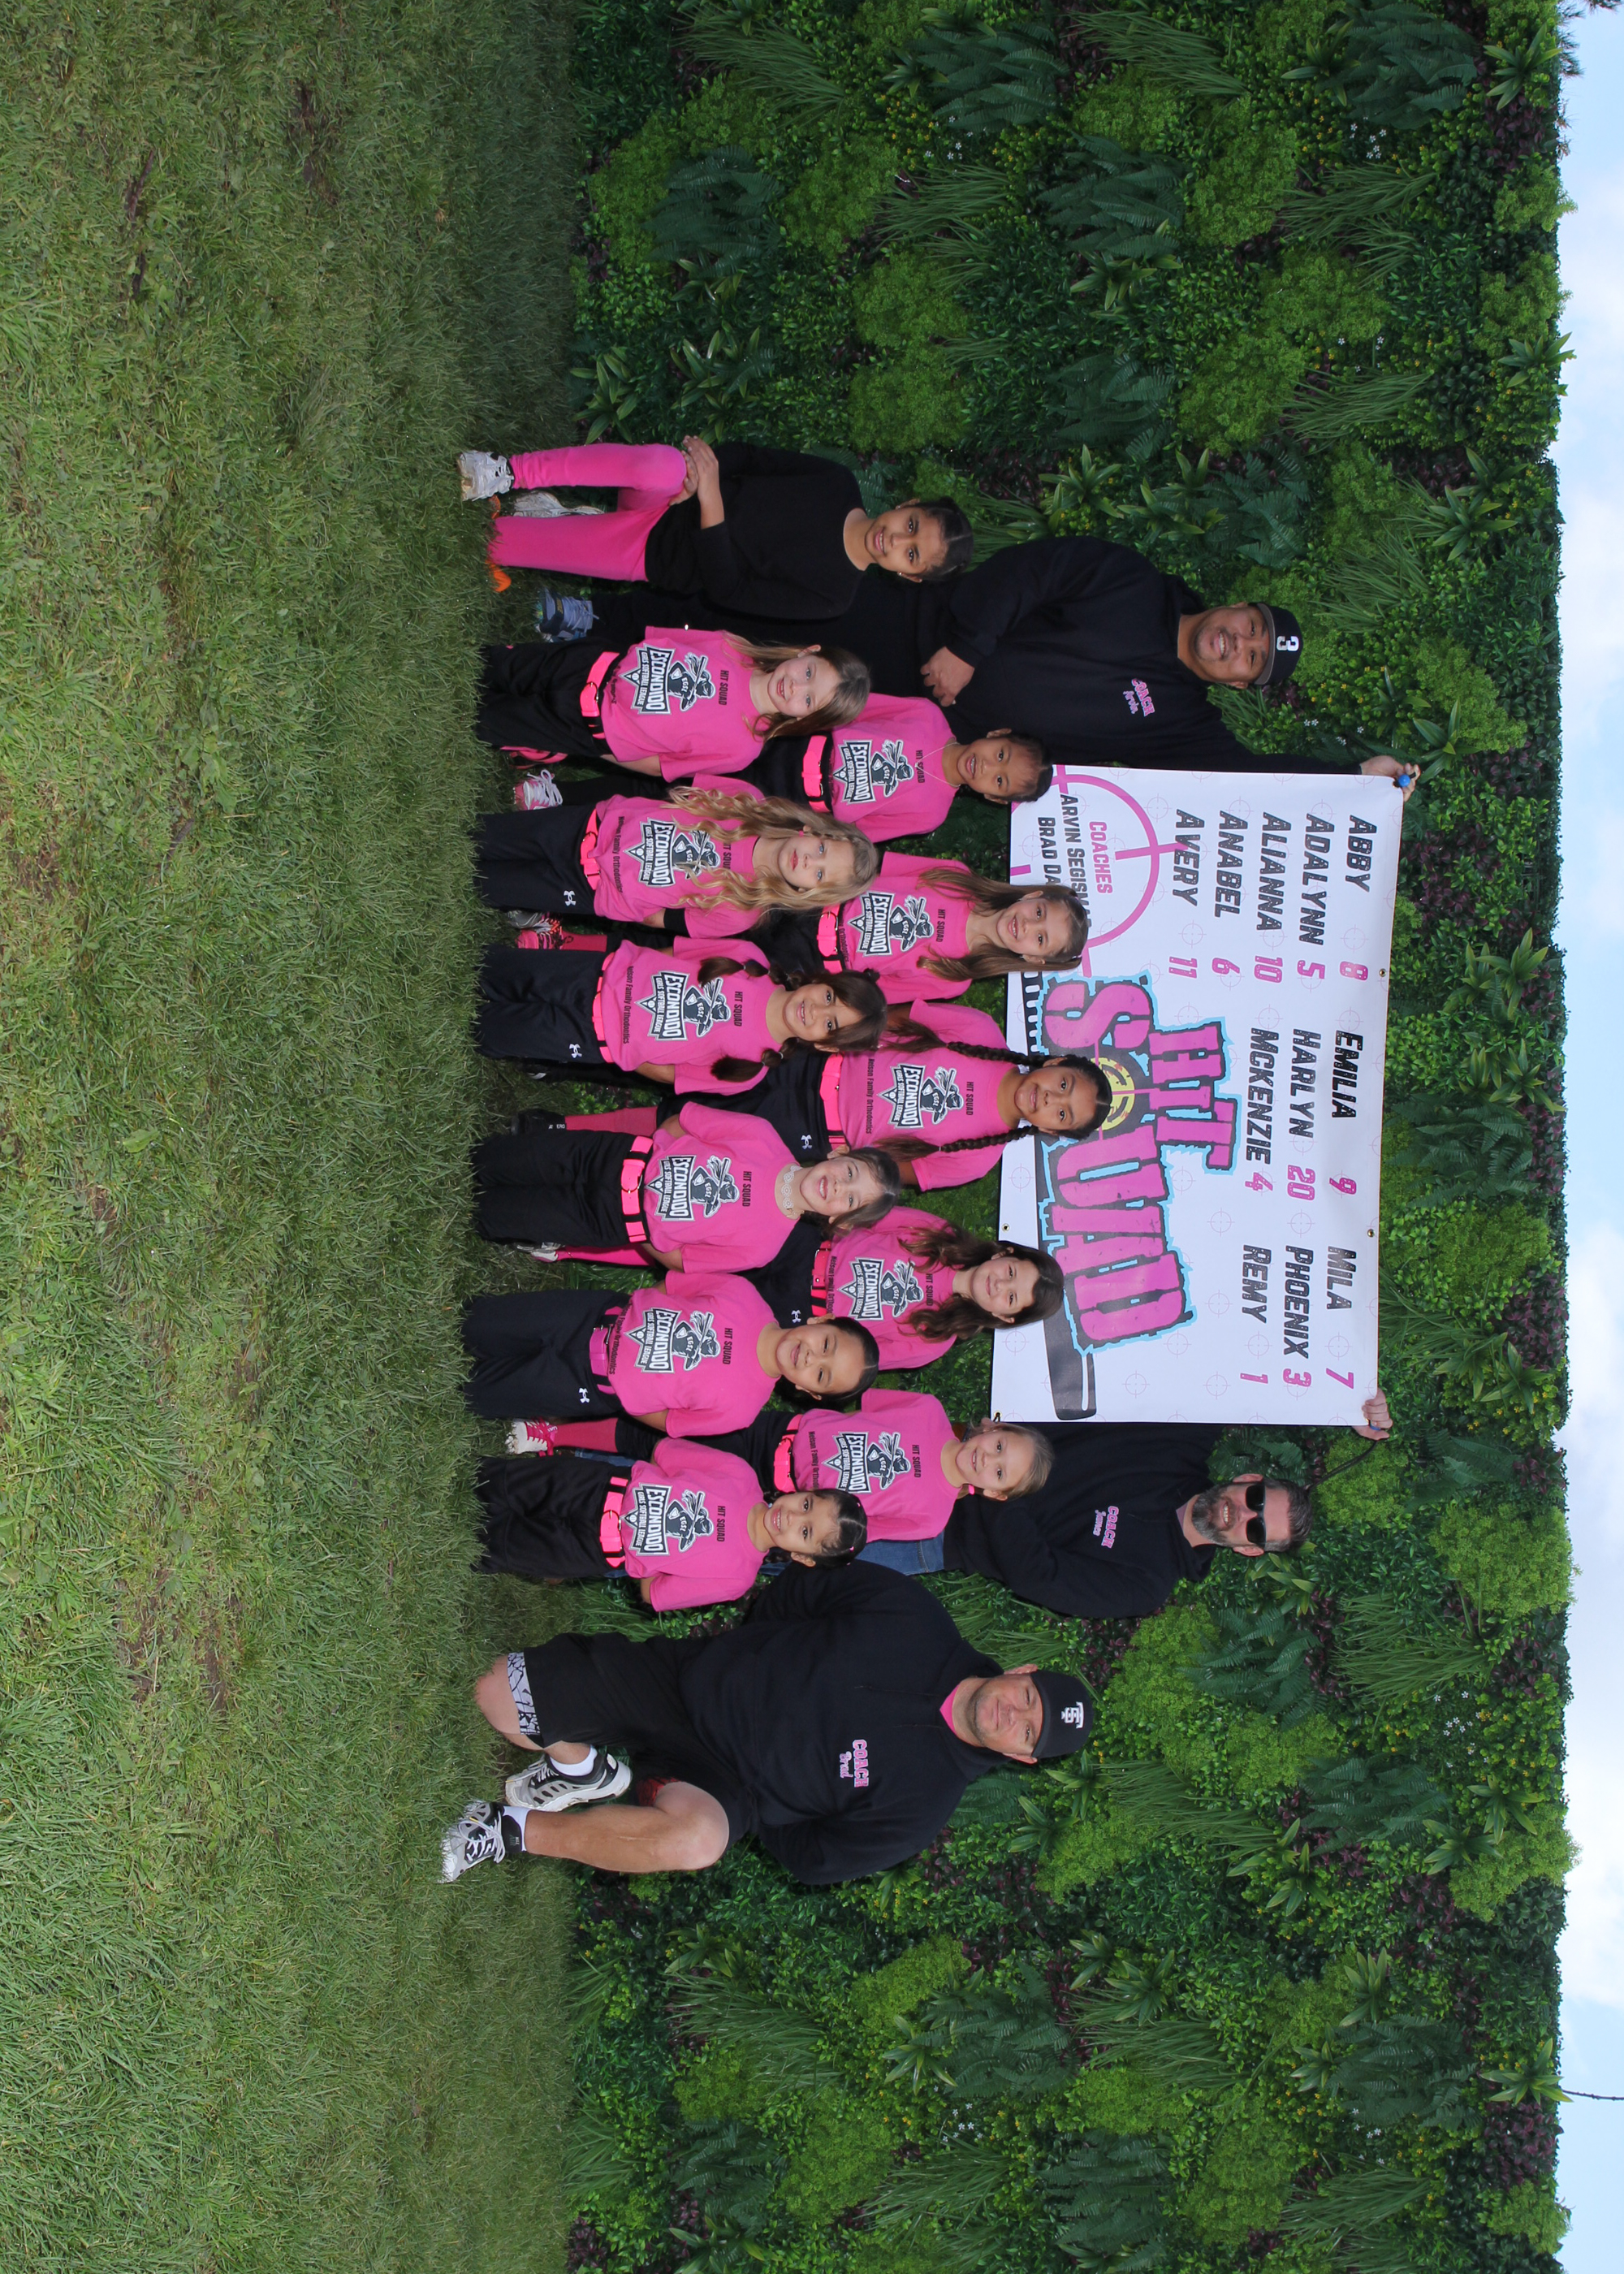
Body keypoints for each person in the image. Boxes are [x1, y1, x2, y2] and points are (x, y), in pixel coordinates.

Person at [438, 1559, 1095, 1884]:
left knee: (697, 1843)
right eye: (1029, 1699)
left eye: (1028, 1732)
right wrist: (744, 1661)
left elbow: (814, 1859)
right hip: (682, 1683)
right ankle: (583, 1768)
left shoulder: (921, 1809)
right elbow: (801, 1594)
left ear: (1022, 1758)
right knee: (495, 1694)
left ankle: (506, 1829)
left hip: (725, 1786)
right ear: (1024, 1671)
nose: (1014, 1715)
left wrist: (767, 1800)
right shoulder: (916, 1618)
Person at [911, 533, 1414, 794]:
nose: (1238, 642)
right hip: (918, 635)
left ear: (1240, 684)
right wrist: (967, 648)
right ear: (1238, 605)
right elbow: (1034, 571)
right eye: (1251, 626)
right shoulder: (1133, 581)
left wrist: (1355, 776)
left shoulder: (1180, 725)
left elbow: (1252, 779)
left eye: (1253, 657)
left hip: (933, 745)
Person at [934, 1393, 1395, 1612]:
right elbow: (1234, 1367)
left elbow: (1037, 1576)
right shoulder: (1180, 1437)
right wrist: (1342, 1404)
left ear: (1249, 1549)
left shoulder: (1144, 1585)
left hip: (937, 1536)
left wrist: (1001, 1489)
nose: (1244, 1513)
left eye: (1256, 1528)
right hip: (945, 1449)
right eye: (1256, 1498)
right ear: (1248, 1479)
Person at [459, 436, 971, 616]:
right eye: (910, 524)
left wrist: (711, 503)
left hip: (654, 553)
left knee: (493, 543)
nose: (896, 539)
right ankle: (506, 472)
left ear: (908, 575)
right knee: (661, 464)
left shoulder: (834, 595)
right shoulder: (837, 483)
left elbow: (729, 592)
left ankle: (560, 521)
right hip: (671, 493)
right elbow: (747, 457)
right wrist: (697, 476)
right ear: (908, 504)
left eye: (910, 553)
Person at [472, 1104, 899, 1274]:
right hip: (611, 1156)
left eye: (850, 1199)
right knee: (502, 1159)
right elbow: (686, 1122)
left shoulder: (763, 1248)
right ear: (839, 1153)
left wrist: (641, 1226)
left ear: (839, 1219)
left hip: (610, 1221)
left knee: (495, 1215)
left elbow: (683, 1259)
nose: (837, 1186)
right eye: (849, 1172)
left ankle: (491, 1214)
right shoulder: (763, 1136)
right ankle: (484, 1162)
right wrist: (652, 1153)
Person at [463, 1274, 879, 1441]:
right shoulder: (746, 1297)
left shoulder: (742, 1410)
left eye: (821, 1375)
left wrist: (624, 1394)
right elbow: (677, 1287)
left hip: (588, 1387)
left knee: (478, 1392)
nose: (811, 1358)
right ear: (820, 1320)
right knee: (479, 1324)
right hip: (589, 1316)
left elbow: (670, 1421)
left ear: (808, 1391)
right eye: (827, 1345)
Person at [473, 1437, 866, 1610]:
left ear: (803, 1558)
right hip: (594, 1486)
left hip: (592, 1549)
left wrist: (649, 1548)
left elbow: (654, 1594)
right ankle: (470, 1481)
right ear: (804, 1489)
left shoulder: (737, 1578)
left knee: (498, 1547)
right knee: (500, 1482)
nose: (793, 1516)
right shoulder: (741, 1474)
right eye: (807, 1504)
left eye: (805, 1532)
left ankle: (470, 1545)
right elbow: (666, 1453)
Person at [474, 937, 887, 1090]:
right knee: (490, 972)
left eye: (830, 1023)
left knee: (490, 1032)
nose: (815, 1010)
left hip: (594, 1038)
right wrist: (626, 970)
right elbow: (677, 953)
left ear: (824, 1044)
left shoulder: (751, 1069)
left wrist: (625, 1048)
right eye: (829, 996)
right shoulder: (750, 960)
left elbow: (672, 1073)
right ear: (824, 979)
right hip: (596, 976)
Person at [473, 786, 877, 940]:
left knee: (482, 883)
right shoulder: (747, 801)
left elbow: (661, 920)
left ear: (808, 891)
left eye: (819, 873)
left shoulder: (741, 912)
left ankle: (528, 903)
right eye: (821, 850)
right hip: (591, 826)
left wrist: (624, 892)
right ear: (813, 831)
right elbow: (669, 797)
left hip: (591, 888)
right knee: (482, 836)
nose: (807, 860)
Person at [475, 627, 869, 775]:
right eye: (808, 673)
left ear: (805, 721)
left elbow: (657, 765)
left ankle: (536, 743)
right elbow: (656, 641)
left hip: (584, 726)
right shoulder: (733, 647)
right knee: (488, 665)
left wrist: (596, 746)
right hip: (588, 664)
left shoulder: (742, 748)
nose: (795, 688)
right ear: (807, 651)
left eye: (808, 700)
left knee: (484, 720)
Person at [824, 1001, 1112, 1190]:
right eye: (1063, 1085)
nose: (1051, 1099)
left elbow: (888, 1171)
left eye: (1062, 1114)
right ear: (1056, 1063)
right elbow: (898, 1020)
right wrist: (844, 1033)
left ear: (1050, 1130)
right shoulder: (981, 1029)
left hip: (825, 1132)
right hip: (829, 1055)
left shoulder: (978, 1161)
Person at [667, 698, 1050, 840]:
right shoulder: (927, 716)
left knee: (693, 805)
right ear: (997, 734)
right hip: (787, 746)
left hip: (789, 803)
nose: (986, 766)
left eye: (999, 780)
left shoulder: (932, 813)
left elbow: (855, 833)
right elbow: (854, 709)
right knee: (688, 755)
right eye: (1001, 754)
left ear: (993, 797)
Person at [746, 1207, 1062, 1367]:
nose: (1000, 1284)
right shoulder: (941, 1234)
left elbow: (854, 1362)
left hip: (801, 1314)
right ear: (1003, 1254)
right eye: (1010, 1271)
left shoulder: (935, 1340)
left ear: (1005, 1316)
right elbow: (872, 1216)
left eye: (1011, 1297)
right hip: (803, 1247)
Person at [758, 856, 1089, 1005]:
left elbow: (870, 994)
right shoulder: (957, 877)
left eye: (1040, 938)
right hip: (806, 900)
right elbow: (873, 871)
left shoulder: (956, 978)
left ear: (1033, 958)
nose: (1027, 925)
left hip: (807, 963)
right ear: (1032, 896)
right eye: (1039, 913)